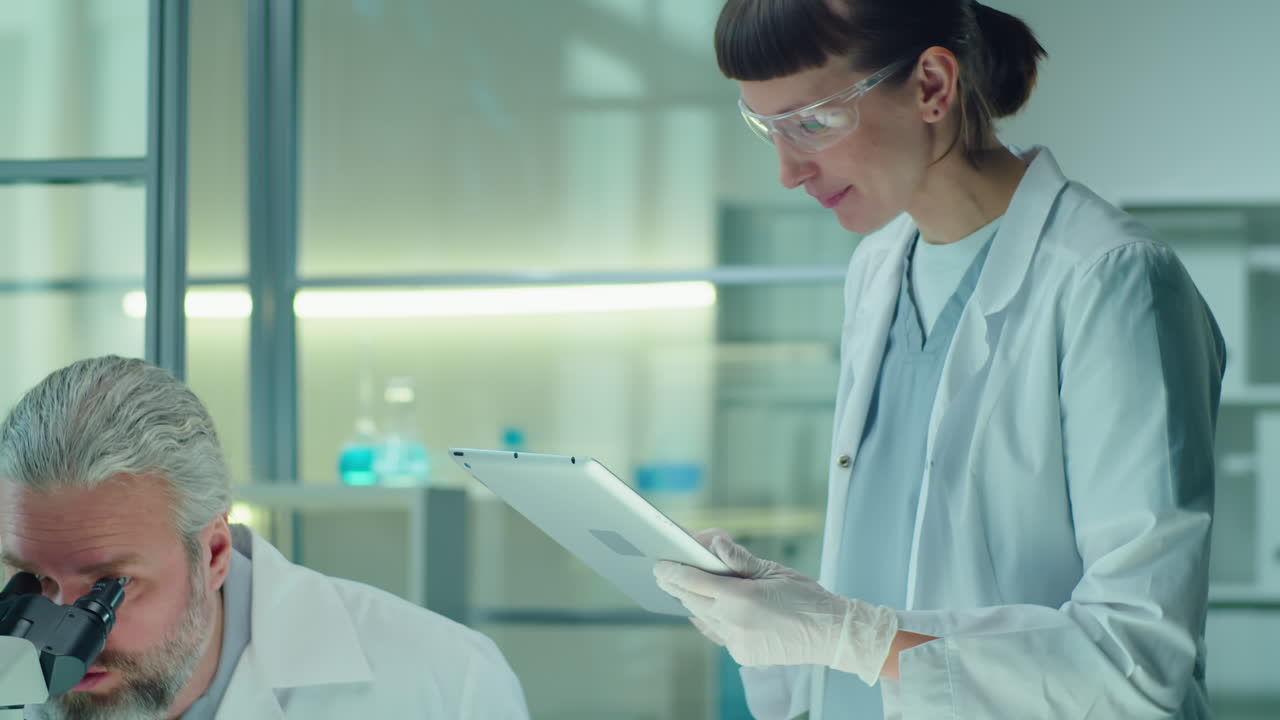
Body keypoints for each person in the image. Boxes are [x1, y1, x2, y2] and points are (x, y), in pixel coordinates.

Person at [652, 1, 1225, 718]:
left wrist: (849, 635)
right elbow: (899, 577)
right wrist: (788, 616)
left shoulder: (1110, 280)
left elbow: (1139, 663)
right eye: (768, 128)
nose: (788, 171)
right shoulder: (878, 269)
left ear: (931, 85)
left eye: (813, 122)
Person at [0, 355, 529, 720]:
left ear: (213, 555)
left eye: (109, 587)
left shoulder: (446, 684)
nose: (58, 642)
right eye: (38, 582)